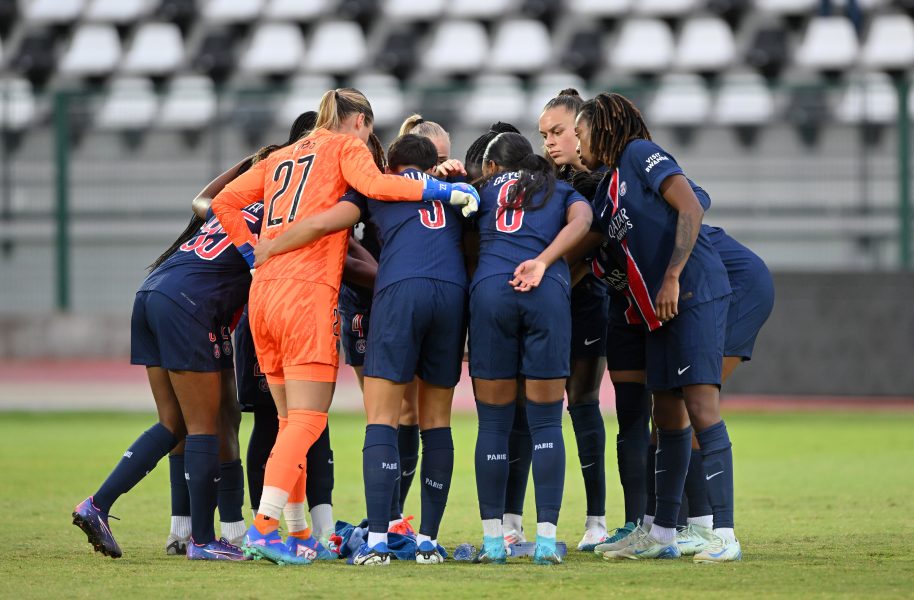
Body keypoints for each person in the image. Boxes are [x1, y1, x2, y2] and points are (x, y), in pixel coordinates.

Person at [211, 88, 478, 566]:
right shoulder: (346, 147)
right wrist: (442, 189)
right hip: (305, 293)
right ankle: (263, 528)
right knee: (309, 421)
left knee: (290, 423)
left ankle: (296, 535)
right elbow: (377, 187)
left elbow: (224, 201)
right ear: (360, 124)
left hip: (264, 294)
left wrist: (253, 250)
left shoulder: (285, 154)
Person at [575, 92, 738, 562]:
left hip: (691, 294)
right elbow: (587, 249)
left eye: (581, 134)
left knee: (701, 408)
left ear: (603, 129)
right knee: (666, 417)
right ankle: (662, 531)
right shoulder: (610, 188)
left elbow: (691, 206)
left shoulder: (640, 154)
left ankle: (724, 535)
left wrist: (670, 276)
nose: (579, 145)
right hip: (659, 312)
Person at [72, 180, 265, 562]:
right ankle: (204, 540)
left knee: (172, 423)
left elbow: (200, 200)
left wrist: (241, 167)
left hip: (151, 293)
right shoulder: (275, 219)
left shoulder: (231, 210)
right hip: (188, 305)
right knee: (204, 426)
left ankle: (97, 504)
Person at [587, 224, 774, 558]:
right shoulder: (606, 230)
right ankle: (660, 530)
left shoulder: (630, 206)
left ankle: (704, 527)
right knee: (667, 410)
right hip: (694, 296)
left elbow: (695, 200)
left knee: (693, 403)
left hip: (737, 287)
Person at [467, 132, 593, 565]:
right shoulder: (561, 189)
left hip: (490, 294)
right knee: (545, 426)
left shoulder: (483, 188)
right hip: (546, 295)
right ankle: (544, 542)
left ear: (494, 165)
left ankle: (492, 544)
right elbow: (583, 222)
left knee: (493, 425)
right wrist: (542, 260)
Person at [537, 88, 612, 552]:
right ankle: (517, 524)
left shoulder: (602, 180)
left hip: (585, 301)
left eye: (559, 132)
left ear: (583, 129)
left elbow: (589, 248)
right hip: (547, 301)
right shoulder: (546, 182)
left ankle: (597, 519)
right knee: (536, 409)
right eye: (544, 134)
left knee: (583, 400)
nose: (550, 142)